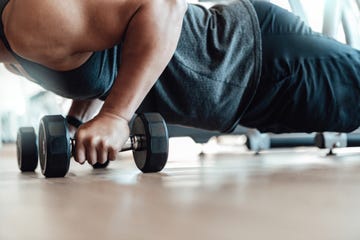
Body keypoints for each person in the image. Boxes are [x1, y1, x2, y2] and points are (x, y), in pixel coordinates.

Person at [0, 0, 359, 166]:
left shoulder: (29, 19)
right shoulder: (12, 55)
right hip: (240, 96)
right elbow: (104, 56)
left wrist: (116, 116)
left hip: (258, 60)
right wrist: (79, 122)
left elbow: (161, 6)